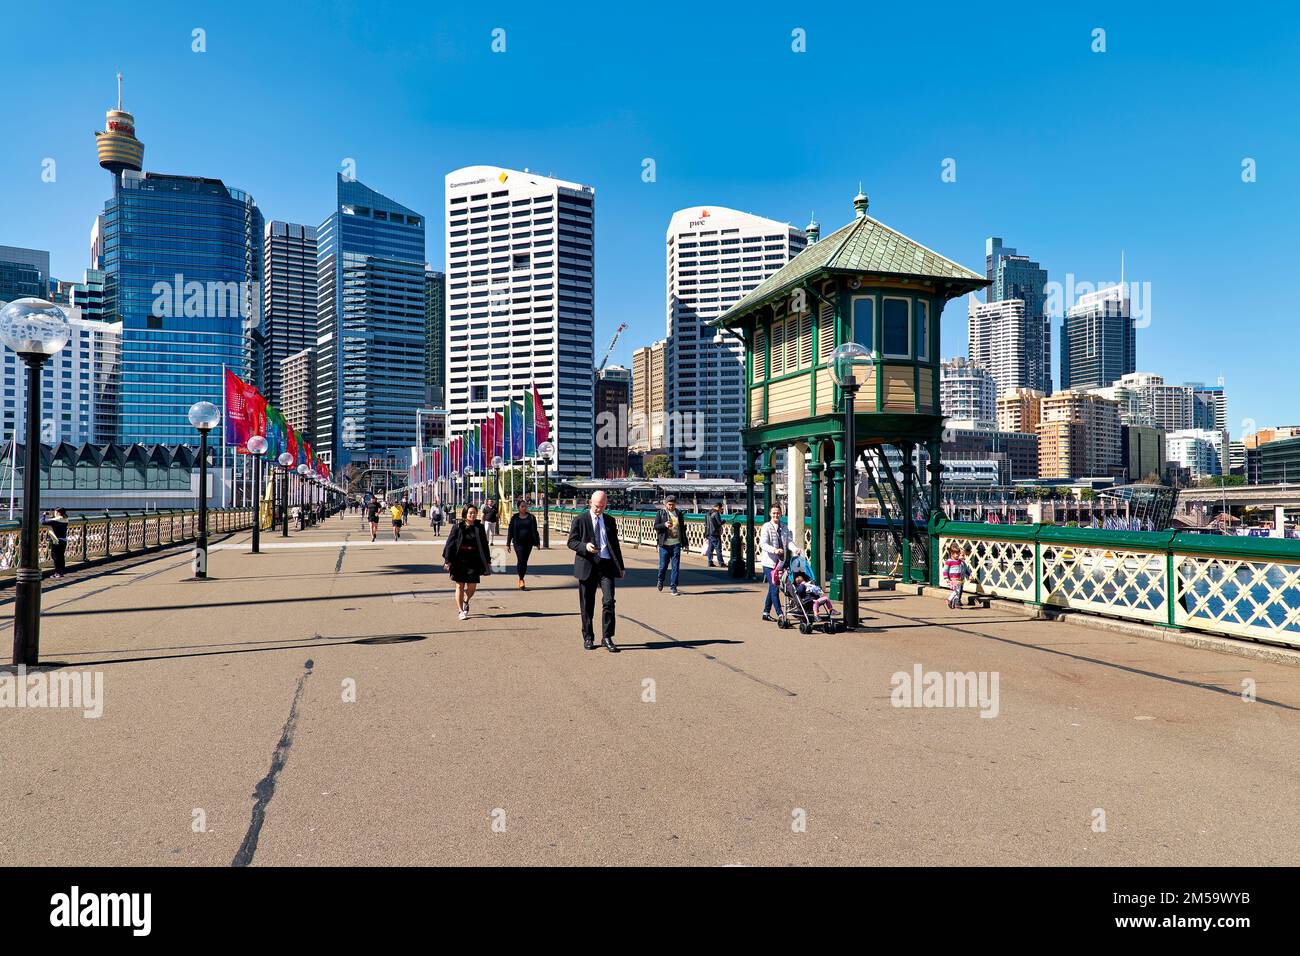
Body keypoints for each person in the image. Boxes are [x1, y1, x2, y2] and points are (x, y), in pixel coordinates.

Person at [567, 490, 624, 652]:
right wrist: (585, 546)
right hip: (587, 565)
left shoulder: (610, 521)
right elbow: (571, 542)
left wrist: (621, 566)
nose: (599, 509)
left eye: (602, 506)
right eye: (596, 506)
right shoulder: (580, 520)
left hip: (606, 566)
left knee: (609, 601)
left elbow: (615, 545)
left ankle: (607, 637)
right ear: (590, 503)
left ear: (606, 504)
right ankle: (588, 637)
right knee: (587, 604)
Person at [443, 504, 492, 620]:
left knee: (472, 586)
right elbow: (449, 544)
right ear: (465, 514)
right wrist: (447, 560)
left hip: (474, 559)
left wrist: (488, 560)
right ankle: (460, 611)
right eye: (470, 513)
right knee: (459, 585)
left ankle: (466, 599)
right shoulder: (457, 527)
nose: (473, 515)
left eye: (474, 512)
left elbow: (485, 545)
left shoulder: (479, 528)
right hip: (459, 560)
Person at [759, 503, 792, 622]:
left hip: (781, 563)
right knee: (775, 587)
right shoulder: (766, 527)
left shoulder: (784, 527)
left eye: (778, 513)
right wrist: (775, 550)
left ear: (781, 514)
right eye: (773, 513)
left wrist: (796, 549)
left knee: (772, 588)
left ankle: (766, 612)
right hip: (769, 563)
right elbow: (762, 544)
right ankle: (780, 614)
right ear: (770, 514)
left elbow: (789, 542)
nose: (776, 515)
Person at [506, 499, 540, 590]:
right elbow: (510, 531)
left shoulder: (531, 517)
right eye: (522, 506)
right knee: (520, 560)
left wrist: (537, 543)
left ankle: (522, 577)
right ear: (518, 508)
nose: (524, 508)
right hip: (518, 543)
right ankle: (521, 579)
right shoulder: (514, 518)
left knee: (524, 561)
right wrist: (508, 543)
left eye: (525, 506)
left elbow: (535, 531)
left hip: (528, 543)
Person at [653, 495, 684, 595]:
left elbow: (682, 529)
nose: (671, 506)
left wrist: (685, 542)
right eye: (669, 504)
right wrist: (664, 525)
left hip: (676, 544)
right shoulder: (660, 513)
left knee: (675, 567)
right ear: (666, 504)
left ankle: (673, 587)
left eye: (673, 504)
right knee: (663, 566)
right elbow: (656, 526)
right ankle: (660, 580)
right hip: (664, 545)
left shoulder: (679, 513)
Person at [43, 507, 69, 579]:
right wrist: (51, 516)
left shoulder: (57, 520)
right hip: (63, 540)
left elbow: (43, 522)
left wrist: (44, 515)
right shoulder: (65, 519)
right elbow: (54, 521)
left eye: (55, 511)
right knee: (61, 556)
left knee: (55, 557)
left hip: (56, 540)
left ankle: (57, 572)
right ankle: (61, 572)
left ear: (58, 512)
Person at [943, 542, 967, 609]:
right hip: (953, 579)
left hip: (959, 578)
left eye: (957, 553)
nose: (956, 555)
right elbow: (945, 571)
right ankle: (949, 599)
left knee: (958, 591)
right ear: (951, 554)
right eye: (954, 554)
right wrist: (946, 578)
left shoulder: (959, 561)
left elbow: (963, 567)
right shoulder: (949, 561)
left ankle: (955, 604)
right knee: (956, 591)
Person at [703, 502, 725, 568]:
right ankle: (721, 563)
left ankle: (710, 562)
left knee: (710, 548)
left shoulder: (707, 513)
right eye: (721, 508)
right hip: (715, 533)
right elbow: (719, 523)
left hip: (709, 533)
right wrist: (724, 521)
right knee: (718, 549)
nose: (721, 510)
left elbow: (706, 524)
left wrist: (706, 534)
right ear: (718, 507)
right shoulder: (716, 513)